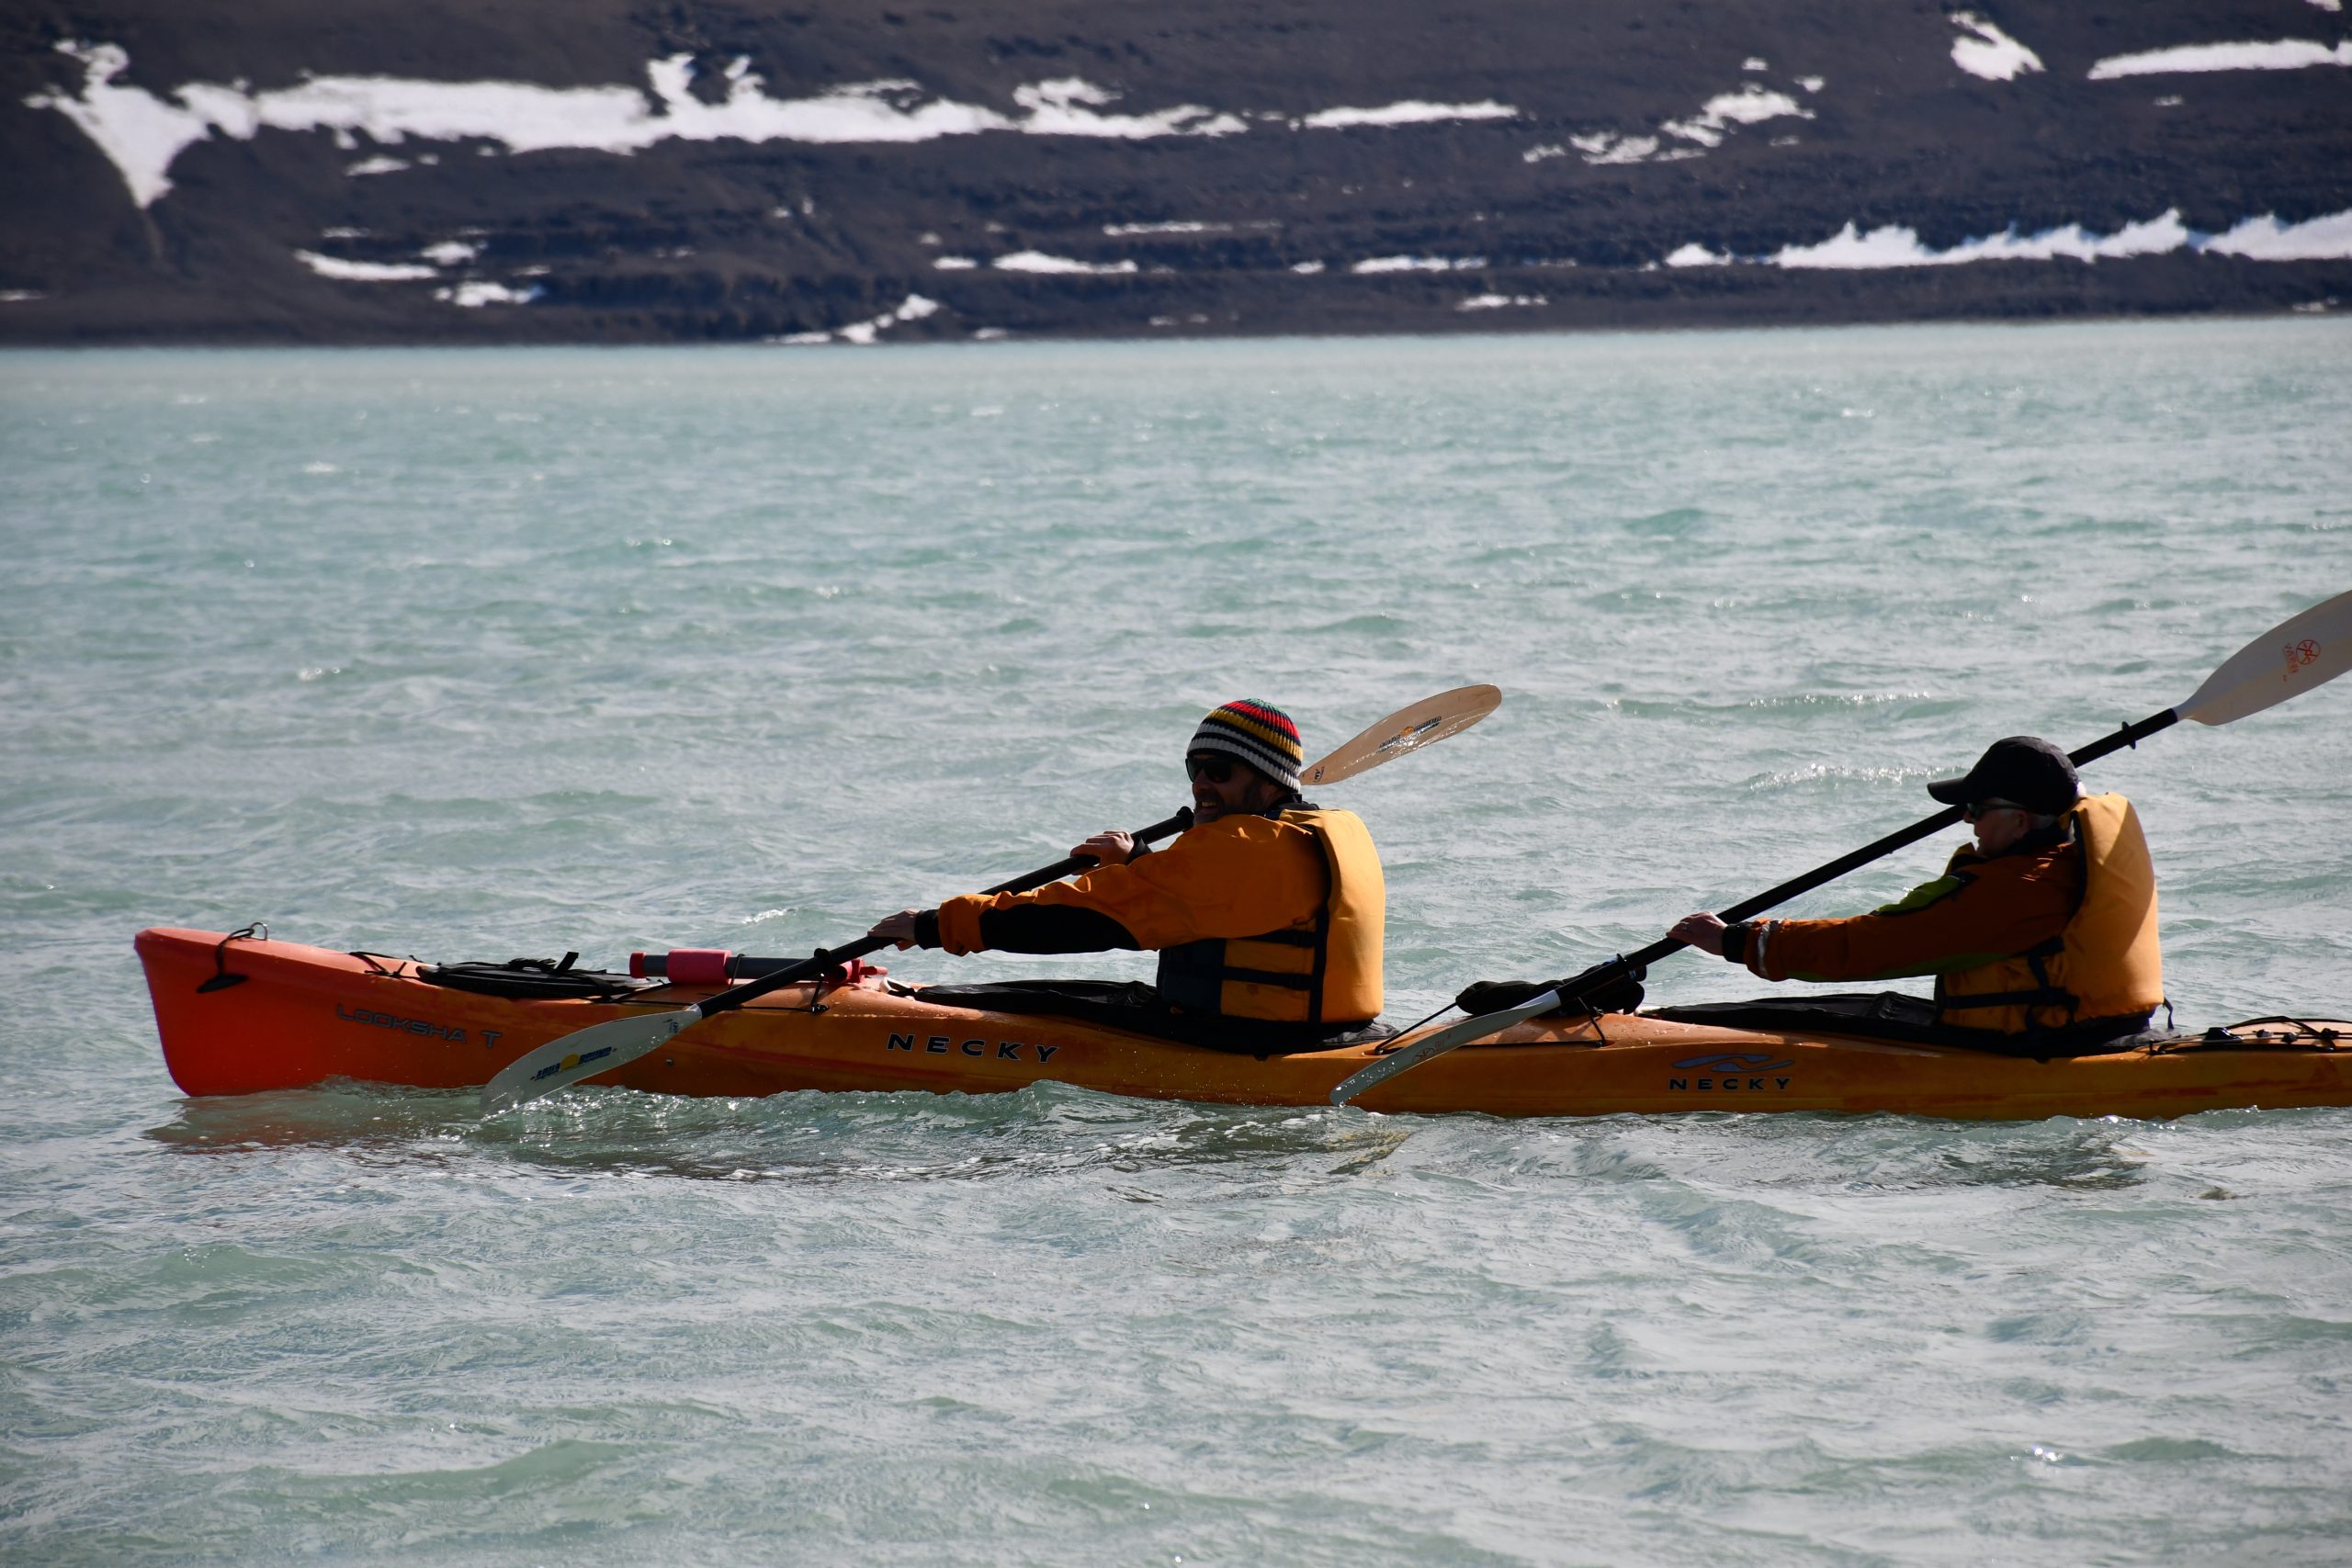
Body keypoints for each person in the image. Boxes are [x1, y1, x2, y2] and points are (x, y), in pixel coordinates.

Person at [866, 699, 1385, 1034]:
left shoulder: (1251, 846)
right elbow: (1211, 901)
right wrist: (1139, 864)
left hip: (1242, 1037)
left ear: (1270, 782)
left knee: (1023, 1005)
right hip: (1318, 1030)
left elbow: (1079, 919)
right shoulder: (1316, 830)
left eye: (1220, 772)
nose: (1201, 784)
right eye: (1194, 769)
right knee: (1057, 997)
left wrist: (937, 926)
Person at [1668, 736, 2165, 1043]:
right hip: (2078, 1029)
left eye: (1977, 809)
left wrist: (1740, 942)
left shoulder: (2022, 888)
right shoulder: (2056, 863)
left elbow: (1874, 945)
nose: (1967, 821)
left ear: (2019, 822)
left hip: (2036, 1045)